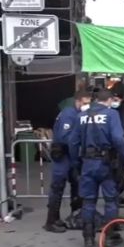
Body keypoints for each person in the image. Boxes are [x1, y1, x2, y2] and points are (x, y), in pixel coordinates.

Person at [69, 88, 124, 247]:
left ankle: (88, 238)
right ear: (109, 101)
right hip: (106, 164)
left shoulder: (81, 116)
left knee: (88, 201)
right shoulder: (111, 115)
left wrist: (76, 164)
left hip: (87, 163)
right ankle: (110, 236)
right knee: (110, 200)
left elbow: (73, 142)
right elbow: (118, 138)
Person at [44, 89, 90, 233]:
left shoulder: (78, 114)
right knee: (58, 187)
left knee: (76, 185)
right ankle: (51, 221)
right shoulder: (69, 114)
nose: (87, 106)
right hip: (63, 155)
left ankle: (75, 217)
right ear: (77, 101)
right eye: (84, 103)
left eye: (89, 103)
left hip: (71, 156)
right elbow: (66, 138)